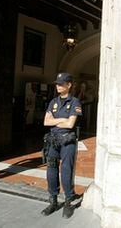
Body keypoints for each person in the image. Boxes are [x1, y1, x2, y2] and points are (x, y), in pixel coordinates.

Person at [42, 72, 82, 218]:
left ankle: (68, 202)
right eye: (57, 84)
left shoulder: (75, 102)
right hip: (53, 140)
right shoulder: (53, 102)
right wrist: (62, 120)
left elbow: (71, 123)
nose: (58, 86)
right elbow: (46, 121)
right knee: (51, 168)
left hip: (67, 140)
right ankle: (53, 200)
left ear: (69, 85)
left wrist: (55, 119)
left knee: (66, 170)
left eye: (61, 84)